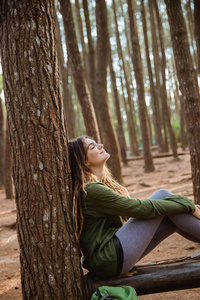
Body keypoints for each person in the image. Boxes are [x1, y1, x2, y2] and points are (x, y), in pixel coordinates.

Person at [68, 135, 200, 278]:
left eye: (96, 143)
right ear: (84, 161)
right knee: (162, 195)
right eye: (91, 147)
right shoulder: (92, 189)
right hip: (108, 258)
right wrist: (188, 205)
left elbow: (134, 212)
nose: (100, 145)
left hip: (109, 258)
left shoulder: (96, 186)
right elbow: (139, 209)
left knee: (170, 218)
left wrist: (182, 206)